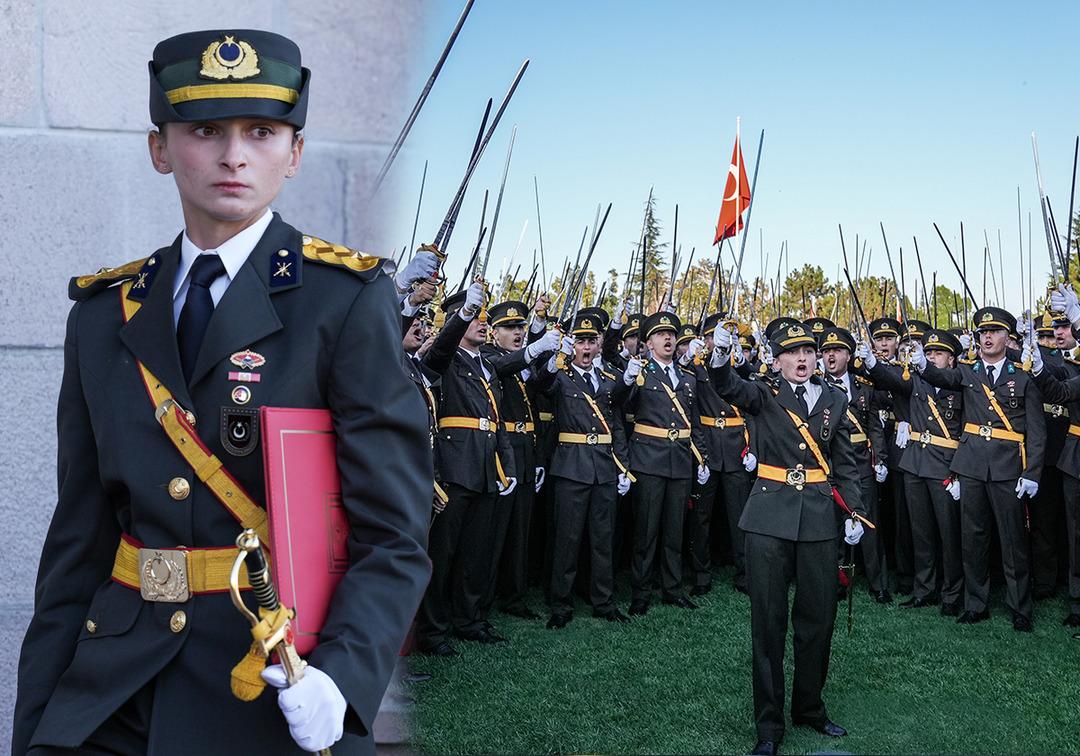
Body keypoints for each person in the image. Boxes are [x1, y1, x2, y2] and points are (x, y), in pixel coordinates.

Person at [13, 29, 432, 756]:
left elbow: (394, 534)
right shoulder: (103, 316)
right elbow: (79, 537)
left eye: (262, 132)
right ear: (161, 148)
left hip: (270, 682)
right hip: (113, 690)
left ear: (293, 154)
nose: (234, 155)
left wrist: (341, 677)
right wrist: (40, 715)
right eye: (205, 130)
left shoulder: (343, 303)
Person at [710, 320, 865, 756]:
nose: (801, 359)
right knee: (769, 623)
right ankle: (769, 726)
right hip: (767, 518)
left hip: (818, 518)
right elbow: (728, 387)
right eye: (792, 353)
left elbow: (846, 462)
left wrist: (855, 511)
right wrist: (720, 357)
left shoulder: (835, 397)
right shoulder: (762, 393)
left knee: (818, 620)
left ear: (817, 358)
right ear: (776, 361)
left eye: (808, 352)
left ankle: (810, 708)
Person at [912, 306, 1045, 631]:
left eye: (995, 331)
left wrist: (1032, 473)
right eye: (983, 332)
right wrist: (920, 363)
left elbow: (1037, 432)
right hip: (971, 465)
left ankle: (1020, 607)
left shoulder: (1022, 375)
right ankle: (975, 603)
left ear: (1007, 338)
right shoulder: (968, 372)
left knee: (1013, 540)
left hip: (1007, 467)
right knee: (973, 537)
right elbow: (940, 376)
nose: (987, 337)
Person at [857, 329, 965, 615]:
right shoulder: (915, 380)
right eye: (927, 353)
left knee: (949, 532)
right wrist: (870, 362)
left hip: (945, 463)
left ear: (952, 360)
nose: (930, 357)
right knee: (921, 532)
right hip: (915, 462)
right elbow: (890, 379)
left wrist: (959, 470)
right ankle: (924, 589)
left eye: (937, 353)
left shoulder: (959, 383)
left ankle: (952, 593)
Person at [534, 312, 632, 627]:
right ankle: (560, 606)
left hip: (603, 467)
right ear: (572, 344)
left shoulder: (609, 381)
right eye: (580, 341)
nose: (586, 347)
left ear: (599, 344)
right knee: (567, 538)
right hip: (570, 466)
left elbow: (616, 425)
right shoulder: (561, 376)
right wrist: (554, 359)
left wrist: (622, 467)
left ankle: (603, 601)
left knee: (603, 539)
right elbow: (542, 383)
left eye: (591, 341)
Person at [622, 312, 709, 614]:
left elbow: (694, 422)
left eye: (671, 334)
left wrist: (702, 457)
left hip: (680, 460)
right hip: (648, 459)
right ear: (647, 343)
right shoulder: (640, 372)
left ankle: (672, 589)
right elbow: (623, 406)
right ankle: (641, 592)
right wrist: (629, 380)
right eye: (660, 334)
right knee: (646, 531)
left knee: (675, 530)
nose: (668, 339)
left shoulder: (687, 378)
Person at [681, 314, 757, 596]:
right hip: (708, 446)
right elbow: (686, 401)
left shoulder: (740, 364)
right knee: (701, 516)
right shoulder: (697, 366)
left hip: (737, 446)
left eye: (727, 335)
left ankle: (745, 573)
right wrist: (700, 452)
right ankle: (701, 574)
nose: (720, 341)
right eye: (715, 336)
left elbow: (754, 404)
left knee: (740, 514)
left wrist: (753, 448)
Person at [819, 327, 890, 603]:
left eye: (836, 351)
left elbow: (874, 428)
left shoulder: (864, 388)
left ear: (848, 355)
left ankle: (878, 583)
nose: (830, 356)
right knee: (834, 526)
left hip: (861, 462)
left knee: (870, 523)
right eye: (826, 352)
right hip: (831, 464)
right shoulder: (816, 386)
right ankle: (838, 581)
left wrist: (880, 458)